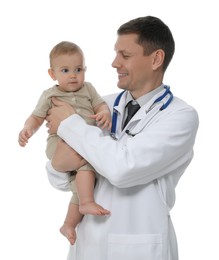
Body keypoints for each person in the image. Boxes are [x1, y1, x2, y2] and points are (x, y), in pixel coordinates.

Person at [46, 16, 199, 260]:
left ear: (156, 59)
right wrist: (57, 165)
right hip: (85, 245)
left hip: (140, 247)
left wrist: (69, 124)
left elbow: (123, 168)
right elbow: (60, 180)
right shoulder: (101, 105)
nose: (114, 63)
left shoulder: (180, 117)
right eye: (116, 53)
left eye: (125, 55)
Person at [18, 41, 111, 245]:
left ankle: (68, 224)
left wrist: (104, 112)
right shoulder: (50, 95)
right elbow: (36, 118)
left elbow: (100, 104)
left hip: (83, 145)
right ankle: (86, 202)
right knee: (87, 164)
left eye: (78, 69)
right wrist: (28, 130)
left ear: (85, 70)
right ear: (52, 74)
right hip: (59, 143)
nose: (73, 75)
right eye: (66, 70)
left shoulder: (89, 89)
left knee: (82, 182)